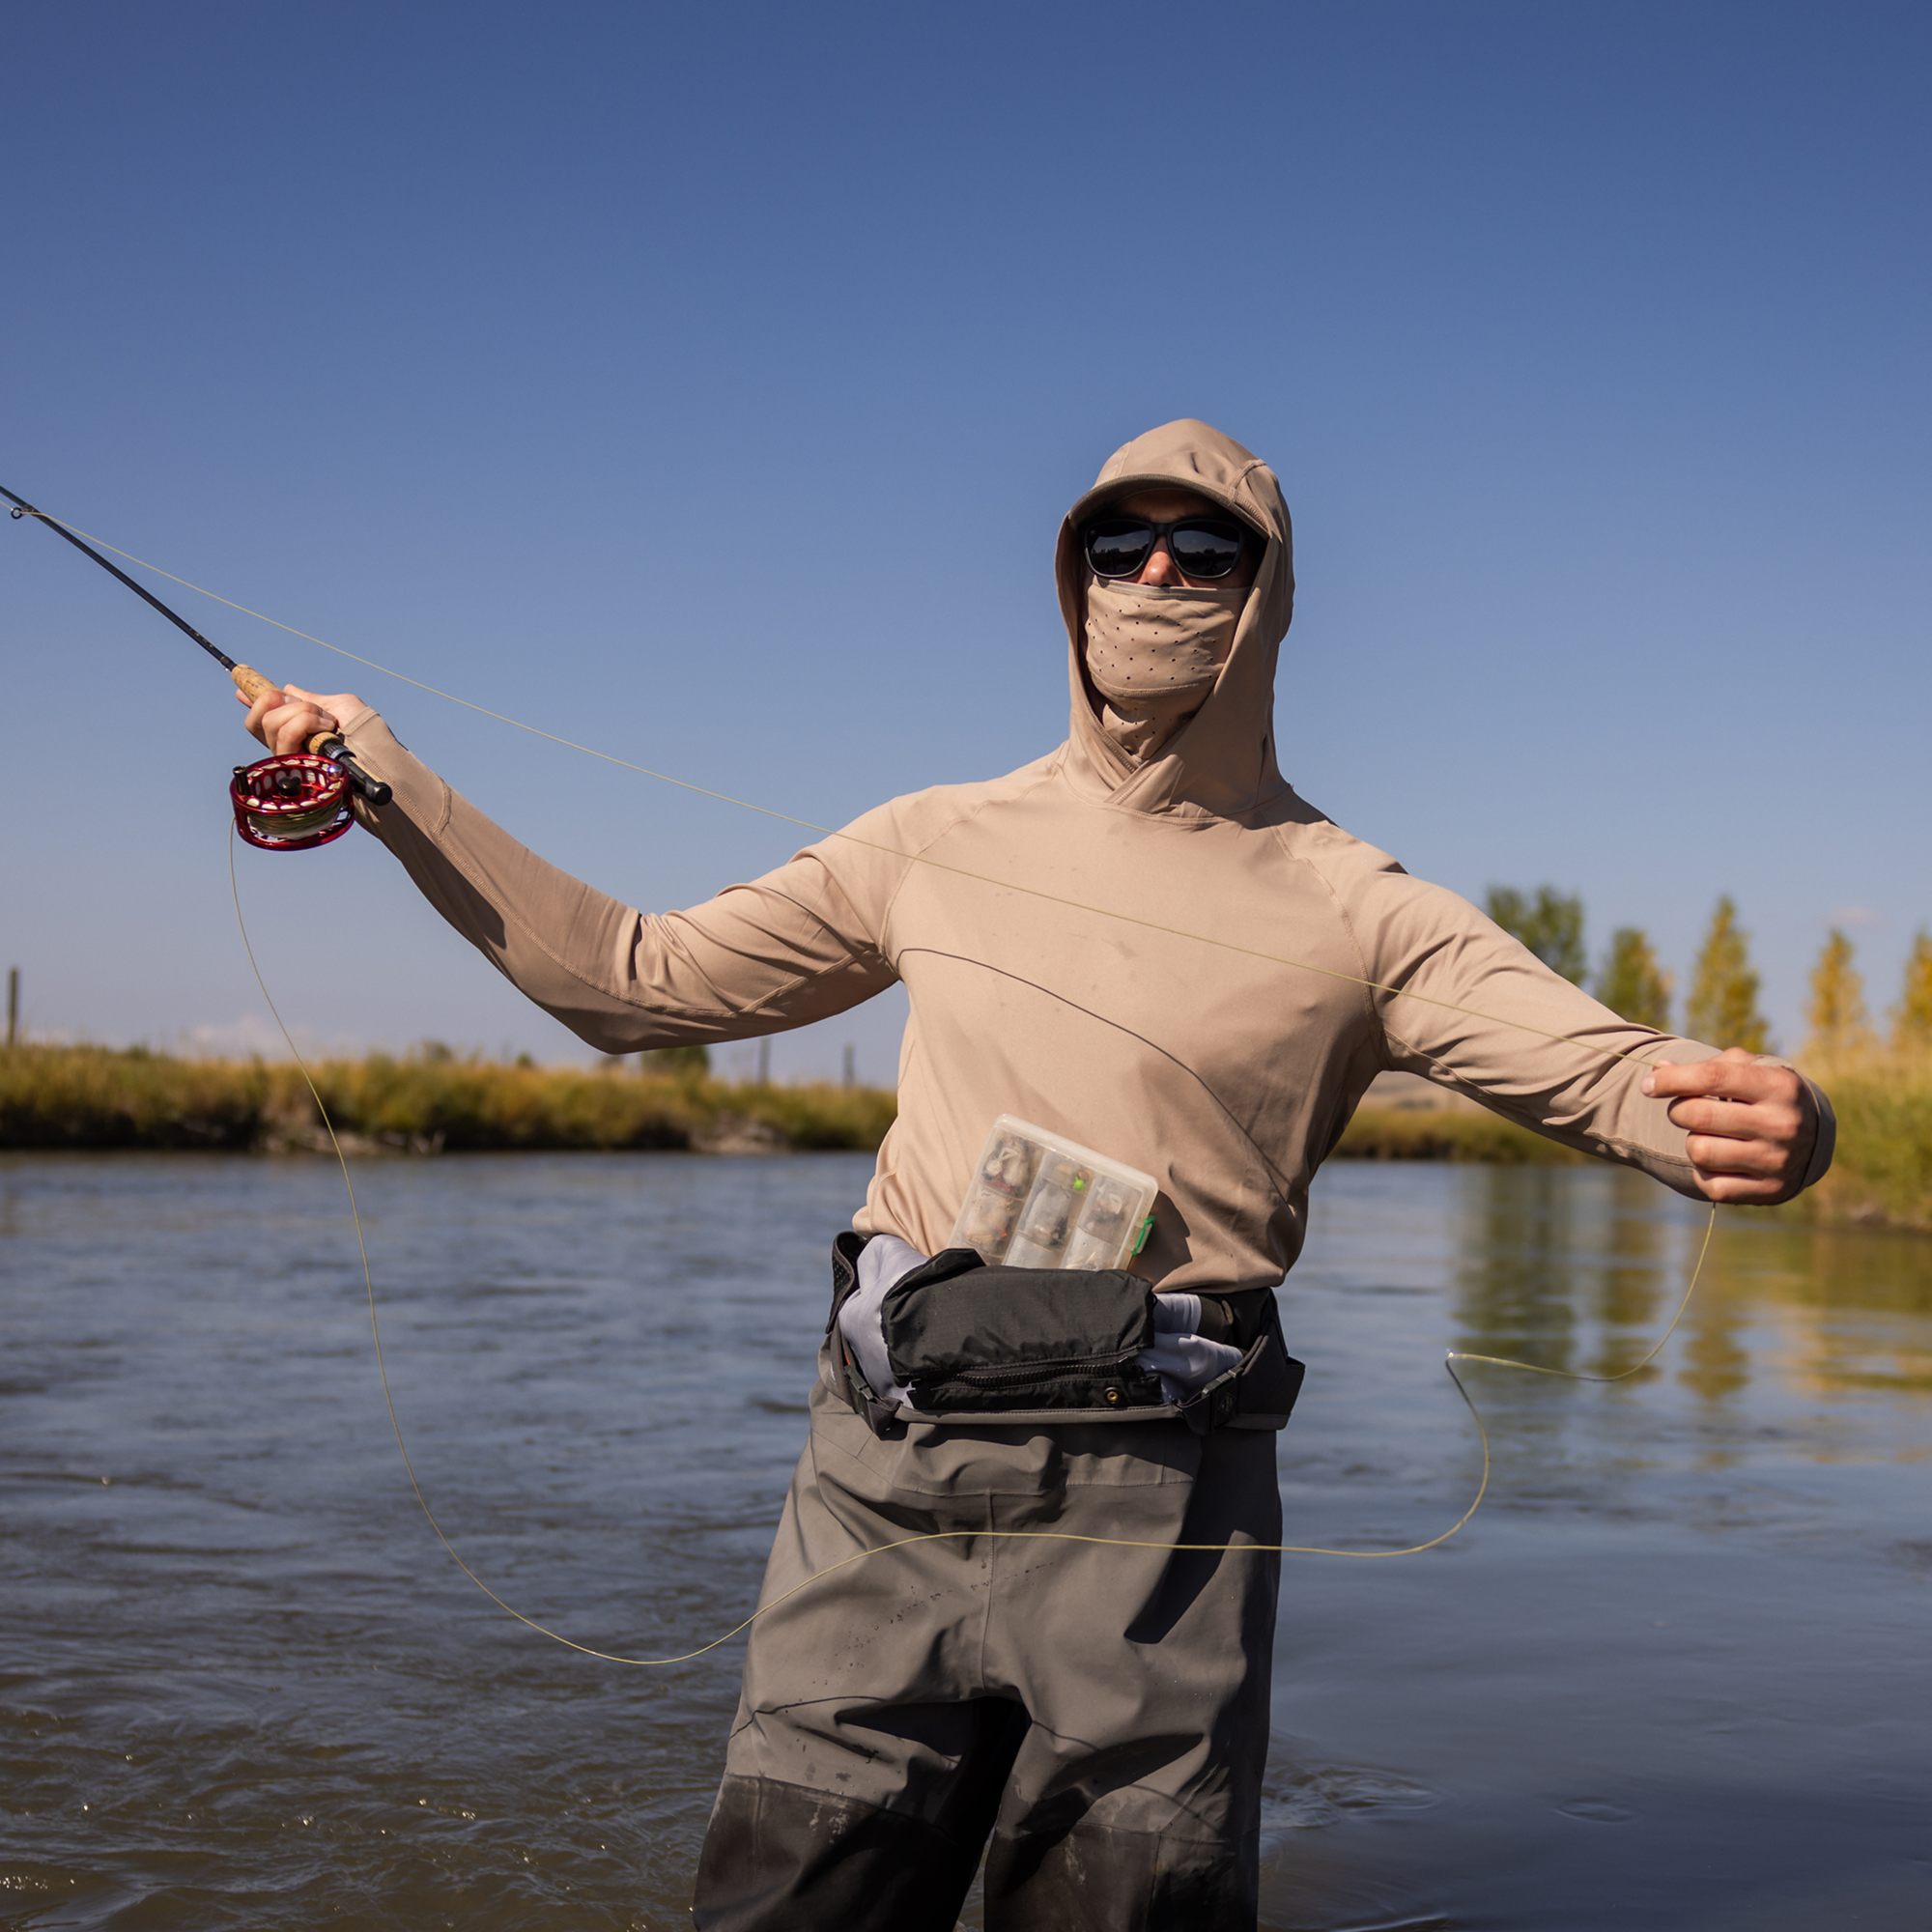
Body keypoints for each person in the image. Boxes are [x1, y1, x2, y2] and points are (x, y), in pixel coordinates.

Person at [244, 420, 1829, 1931]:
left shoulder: (1364, 908)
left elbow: (1612, 1073)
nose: (1154, 577)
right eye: (1117, 548)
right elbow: (630, 981)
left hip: (1163, 1526)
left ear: (1267, 597)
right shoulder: (928, 838)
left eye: (1203, 550)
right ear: (1072, 581)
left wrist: (1777, 1124)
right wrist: (384, 779)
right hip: (886, 1483)